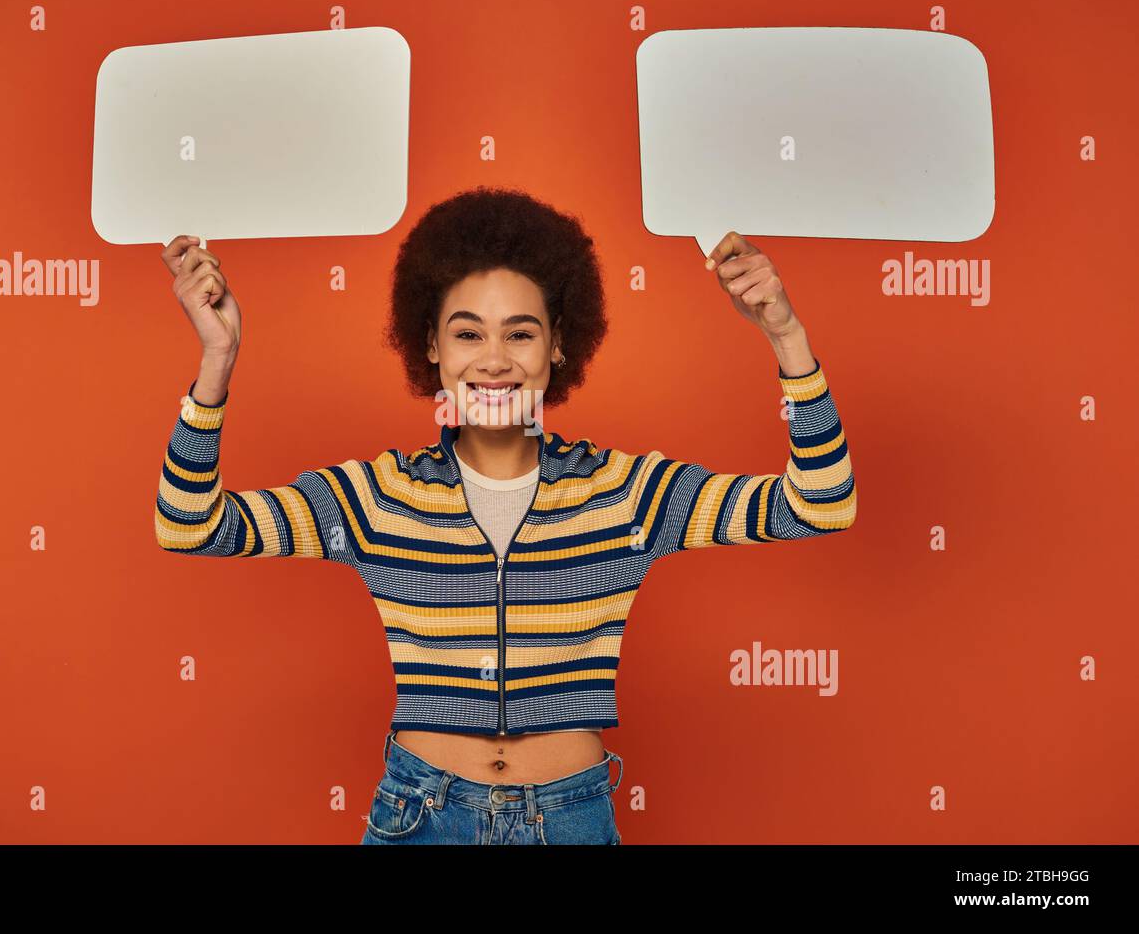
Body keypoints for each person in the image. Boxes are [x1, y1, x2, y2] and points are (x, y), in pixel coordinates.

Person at [153, 187, 857, 844]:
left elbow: (820, 504)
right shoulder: (376, 498)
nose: (494, 360)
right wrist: (218, 358)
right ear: (431, 346)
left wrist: (785, 335)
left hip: (571, 813)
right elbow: (190, 524)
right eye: (467, 334)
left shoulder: (625, 493)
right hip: (419, 814)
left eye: (520, 334)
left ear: (557, 345)